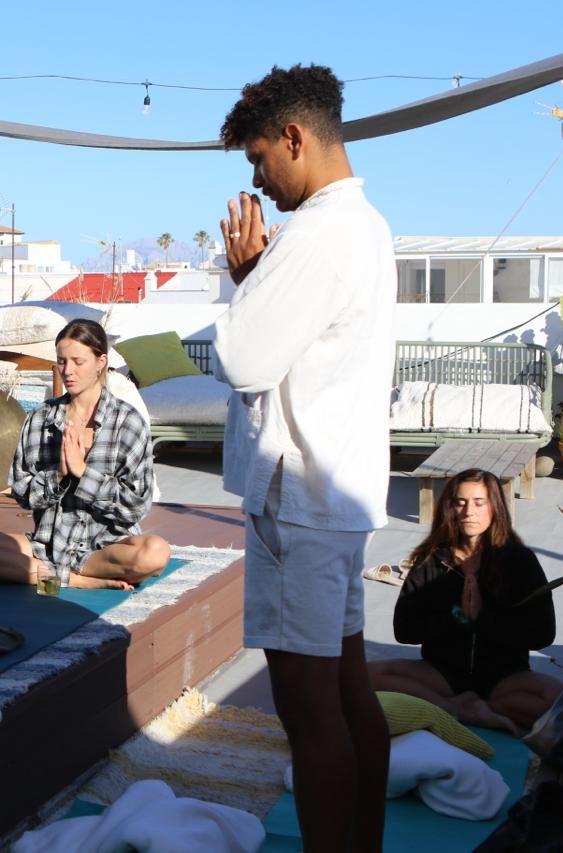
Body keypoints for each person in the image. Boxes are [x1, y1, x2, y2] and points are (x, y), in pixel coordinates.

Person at [214, 65, 394, 851]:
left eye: (259, 159)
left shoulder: (318, 233)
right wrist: (263, 277)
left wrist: (247, 280)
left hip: (300, 500)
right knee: (351, 696)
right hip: (339, 496)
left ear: (294, 137)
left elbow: (243, 357)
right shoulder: (367, 224)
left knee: (309, 713)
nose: (259, 179)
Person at [0, 319, 170, 589]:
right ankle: (75, 580)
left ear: (100, 362)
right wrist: (59, 474)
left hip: (104, 548)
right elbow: (23, 494)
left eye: (78, 361)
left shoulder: (128, 422)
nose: (68, 371)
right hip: (48, 544)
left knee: (155, 552)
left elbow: (136, 506)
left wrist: (83, 473)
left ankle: (44, 574)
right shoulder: (41, 418)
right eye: (61, 361)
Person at [369, 469, 561, 734]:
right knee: (367, 676)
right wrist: (456, 617)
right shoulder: (432, 560)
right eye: (461, 502)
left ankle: (479, 709)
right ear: (450, 507)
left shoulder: (519, 561)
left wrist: (483, 618)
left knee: (559, 698)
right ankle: (454, 707)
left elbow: (542, 634)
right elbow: (404, 630)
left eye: (479, 503)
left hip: (504, 677)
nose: (469, 511)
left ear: (495, 507)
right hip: (441, 675)